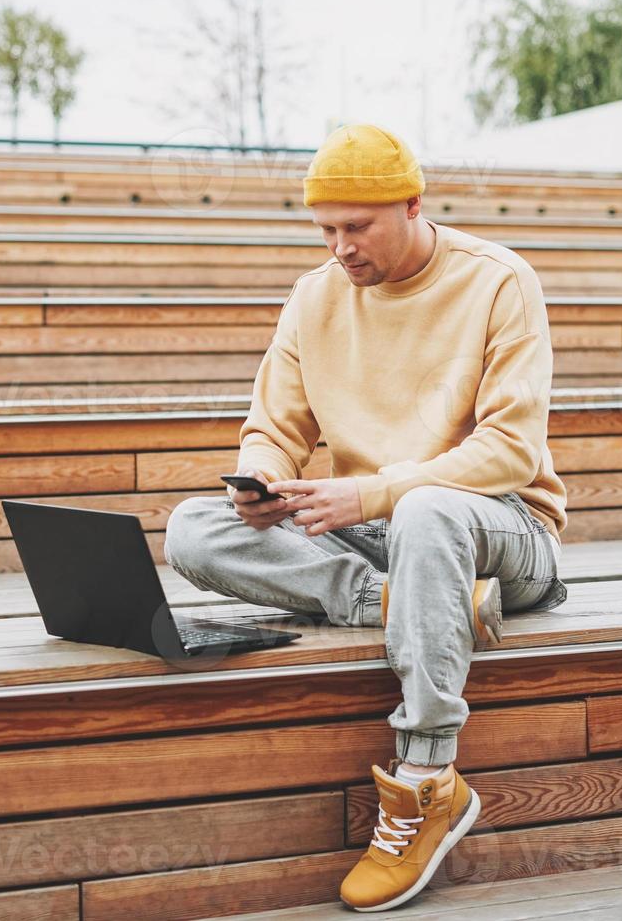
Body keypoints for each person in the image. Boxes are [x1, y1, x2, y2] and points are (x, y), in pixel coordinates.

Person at [162, 122, 569, 912]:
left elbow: (510, 451)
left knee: (425, 514)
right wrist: (266, 479)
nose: (340, 247)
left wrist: (379, 491)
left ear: (413, 205)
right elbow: (275, 425)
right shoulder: (315, 295)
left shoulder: (498, 280)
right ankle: (396, 603)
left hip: (499, 530)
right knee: (191, 527)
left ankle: (427, 779)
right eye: (326, 230)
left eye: (357, 227)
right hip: (378, 539)